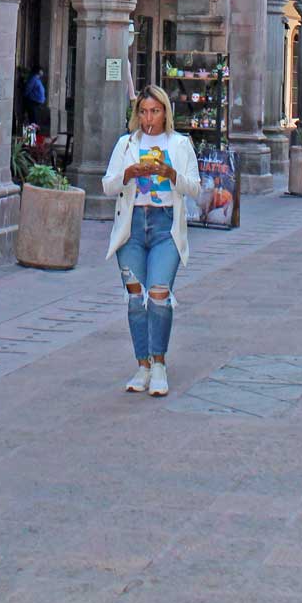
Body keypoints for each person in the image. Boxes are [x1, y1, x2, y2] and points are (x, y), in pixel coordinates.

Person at [102, 85, 201, 398]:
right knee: (136, 299)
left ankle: (159, 363)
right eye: (143, 111)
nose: (149, 118)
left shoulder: (180, 144)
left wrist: (170, 174)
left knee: (159, 294)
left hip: (165, 226)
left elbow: (195, 188)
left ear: (165, 113)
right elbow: (107, 186)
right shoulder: (126, 144)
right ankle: (142, 364)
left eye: (155, 111)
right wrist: (129, 172)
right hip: (132, 228)